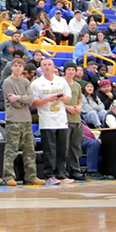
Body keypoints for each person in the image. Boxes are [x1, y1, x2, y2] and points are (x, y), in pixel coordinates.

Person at [0, 58, 44, 186]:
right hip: (13, 119)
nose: (18, 68)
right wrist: (23, 99)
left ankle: (31, 176)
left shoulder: (25, 81)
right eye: (15, 65)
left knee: (29, 149)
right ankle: (8, 176)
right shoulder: (7, 82)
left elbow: (31, 99)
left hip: (26, 119)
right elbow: (13, 102)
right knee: (11, 149)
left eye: (20, 66)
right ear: (12, 67)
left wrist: (19, 97)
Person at [30, 58, 73, 186]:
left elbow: (68, 98)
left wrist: (60, 98)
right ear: (41, 68)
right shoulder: (36, 83)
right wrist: (48, 99)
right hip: (47, 119)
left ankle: (61, 173)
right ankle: (49, 175)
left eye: (49, 64)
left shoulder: (61, 81)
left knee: (62, 148)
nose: (47, 67)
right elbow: (34, 103)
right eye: (44, 65)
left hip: (61, 119)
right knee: (50, 149)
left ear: (54, 67)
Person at [62, 61, 86, 181]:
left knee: (76, 147)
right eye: (69, 69)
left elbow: (80, 100)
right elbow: (57, 100)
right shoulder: (60, 83)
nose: (71, 71)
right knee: (65, 147)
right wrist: (68, 107)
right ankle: (64, 170)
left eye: (73, 69)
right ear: (65, 70)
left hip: (77, 120)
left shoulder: (77, 85)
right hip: (64, 119)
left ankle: (75, 170)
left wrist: (79, 107)